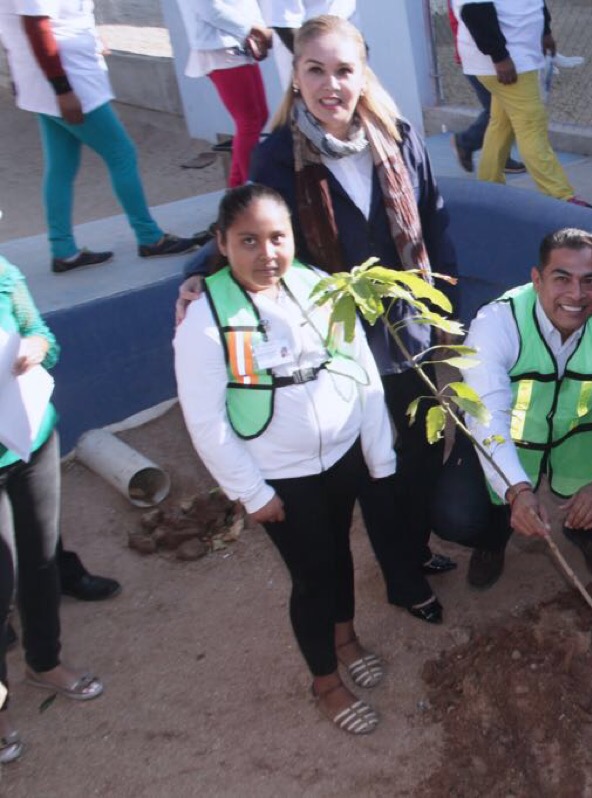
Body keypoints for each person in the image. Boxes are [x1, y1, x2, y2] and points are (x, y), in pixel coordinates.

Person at [178, 15, 455, 619]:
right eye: (315, 70)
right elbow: (256, 227)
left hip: (410, 329)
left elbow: (432, 220)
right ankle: (403, 579)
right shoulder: (279, 154)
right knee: (377, 469)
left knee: (419, 453)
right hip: (339, 338)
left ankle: (413, 545)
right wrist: (199, 271)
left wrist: (445, 315)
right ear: (295, 77)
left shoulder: (398, 135)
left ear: (363, 74)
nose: (331, 84)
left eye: (343, 70)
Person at [175, 184, 394, 735]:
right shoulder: (205, 319)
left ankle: (345, 638)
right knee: (311, 575)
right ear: (222, 244)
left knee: (339, 552)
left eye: (278, 238)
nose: (267, 253)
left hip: (340, 457)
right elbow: (206, 421)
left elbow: (361, 365)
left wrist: (378, 450)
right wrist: (252, 492)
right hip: (281, 478)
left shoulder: (317, 286)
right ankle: (325, 681)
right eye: (248, 240)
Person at [433, 229, 592, 589]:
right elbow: (487, 420)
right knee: (454, 516)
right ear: (537, 279)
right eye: (562, 278)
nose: (576, 294)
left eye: (590, 281)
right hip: (509, 439)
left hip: (577, 435)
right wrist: (518, 492)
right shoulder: (496, 323)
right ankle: (492, 543)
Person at [0, 253, 105, 765]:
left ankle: (44, 663)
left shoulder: (3, 273)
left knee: (42, 561)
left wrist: (37, 347)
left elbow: (42, 333)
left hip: (32, 437)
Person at [0, 0, 198, 272]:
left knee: (61, 166)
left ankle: (63, 250)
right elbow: (36, 27)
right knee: (121, 153)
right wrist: (62, 90)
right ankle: (150, 238)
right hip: (69, 85)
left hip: (53, 82)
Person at [453, 0, 591, 206]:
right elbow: (474, 10)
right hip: (507, 61)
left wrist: (545, 31)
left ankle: (488, 188)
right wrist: (500, 57)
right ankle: (561, 197)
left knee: (502, 123)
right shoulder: (501, 54)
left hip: (518, 56)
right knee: (532, 126)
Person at [176, 0, 273, 187]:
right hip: (220, 45)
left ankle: (238, 190)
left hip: (234, 41)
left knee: (257, 118)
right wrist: (255, 29)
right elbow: (210, 9)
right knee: (250, 121)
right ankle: (252, 192)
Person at [447, 2, 525, 176]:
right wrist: (498, 55)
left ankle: (498, 159)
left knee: (501, 112)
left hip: (486, 57)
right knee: (499, 112)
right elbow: (474, 19)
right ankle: (466, 142)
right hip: (481, 60)